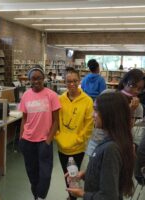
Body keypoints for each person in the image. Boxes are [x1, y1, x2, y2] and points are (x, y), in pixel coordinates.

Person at [67, 92, 135, 200]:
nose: (92, 115)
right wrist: (85, 174)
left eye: (96, 110)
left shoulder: (111, 148)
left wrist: (82, 194)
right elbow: (107, 175)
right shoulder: (114, 140)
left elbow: (108, 197)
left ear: (109, 114)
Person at [19, 65, 61, 200]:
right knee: (32, 173)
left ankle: (40, 196)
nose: (36, 81)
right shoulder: (26, 95)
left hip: (44, 141)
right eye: (33, 79)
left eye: (39, 78)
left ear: (44, 79)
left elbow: (56, 121)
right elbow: (24, 118)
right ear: (29, 80)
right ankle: (36, 196)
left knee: (45, 174)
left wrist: (48, 140)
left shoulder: (52, 95)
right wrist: (21, 138)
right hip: (28, 140)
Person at [86, 69, 145, 157]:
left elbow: (128, 131)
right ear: (124, 83)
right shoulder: (108, 94)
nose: (136, 91)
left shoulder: (138, 107)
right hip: (97, 140)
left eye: (140, 89)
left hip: (115, 146)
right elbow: (99, 120)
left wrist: (130, 111)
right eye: (132, 85)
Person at [54, 68, 93, 200]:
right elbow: (55, 121)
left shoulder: (87, 101)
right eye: (68, 81)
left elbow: (88, 126)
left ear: (79, 81)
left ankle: (73, 197)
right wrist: (57, 136)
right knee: (66, 174)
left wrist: (78, 139)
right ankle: (71, 195)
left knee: (74, 175)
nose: (72, 84)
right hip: (62, 146)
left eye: (75, 81)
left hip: (77, 147)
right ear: (64, 82)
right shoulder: (59, 99)